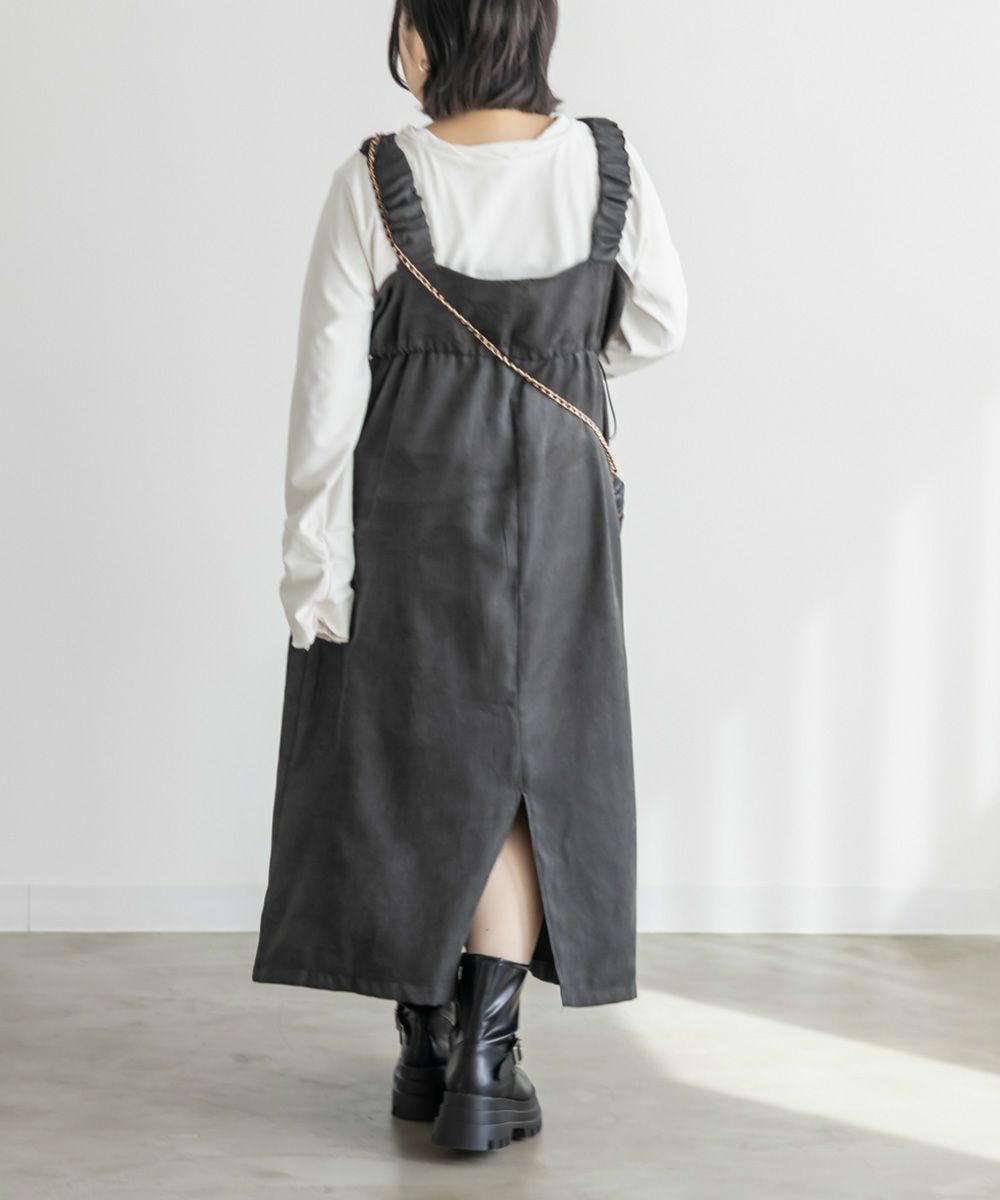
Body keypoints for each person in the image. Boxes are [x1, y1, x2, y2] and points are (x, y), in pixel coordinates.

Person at [252, 0, 688, 1153]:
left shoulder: (376, 178)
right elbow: (658, 324)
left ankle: (428, 1046)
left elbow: (326, 395)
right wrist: (558, 354)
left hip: (414, 491)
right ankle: (484, 1064)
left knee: (413, 754)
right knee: (534, 762)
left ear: (425, 38)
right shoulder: (606, 162)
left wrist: (312, 565)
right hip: (560, 501)